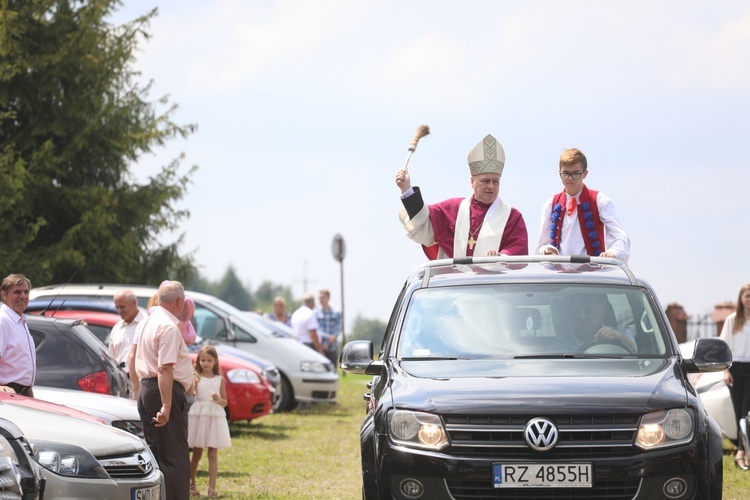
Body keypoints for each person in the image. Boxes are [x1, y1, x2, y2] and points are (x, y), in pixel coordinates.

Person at [395, 134, 528, 259]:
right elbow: (424, 222)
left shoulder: (512, 217)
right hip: (458, 282)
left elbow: (517, 250)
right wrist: (406, 189)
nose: (491, 186)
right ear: (472, 182)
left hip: (493, 282)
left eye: (495, 181)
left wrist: (500, 258)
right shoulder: (454, 209)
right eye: (485, 181)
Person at [134, 281, 194, 500]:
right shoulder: (168, 326)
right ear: (180, 302)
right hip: (162, 392)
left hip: (149, 390)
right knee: (175, 459)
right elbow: (165, 368)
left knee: (159, 457)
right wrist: (167, 405)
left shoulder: (149, 321)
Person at [536, 148, 630, 261]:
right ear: (559, 173)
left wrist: (612, 253)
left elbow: (620, 235)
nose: (570, 178)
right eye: (565, 173)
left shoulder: (599, 200)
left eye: (575, 173)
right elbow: (542, 244)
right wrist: (546, 250)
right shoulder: (551, 203)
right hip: (559, 273)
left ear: (585, 174)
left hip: (590, 274)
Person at [188, 345, 231, 498]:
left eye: (209, 360)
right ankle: (191, 484)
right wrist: (193, 378)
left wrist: (219, 399)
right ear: (198, 361)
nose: (205, 363)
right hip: (200, 415)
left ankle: (212, 489)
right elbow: (191, 393)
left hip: (214, 416)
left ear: (215, 361)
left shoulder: (220, 380)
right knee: (197, 453)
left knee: (213, 454)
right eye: (203, 360)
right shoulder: (197, 377)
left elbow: (225, 402)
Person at [720, 284, 750, 470]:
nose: (749, 299)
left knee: (747, 411)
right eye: (747, 296)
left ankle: (741, 451)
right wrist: (725, 370)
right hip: (735, 368)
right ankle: (744, 450)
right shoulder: (732, 320)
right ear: (741, 298)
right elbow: (723, 346)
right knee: (739, 412)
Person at [548, 293, 636, 353]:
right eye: (577, 311)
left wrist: (619, 338)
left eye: (588, 311)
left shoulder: (621, 333)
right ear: (571, 314)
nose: (582, 316)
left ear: (601, 312)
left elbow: (636, 356)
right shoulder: (560, 344)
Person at [0, 274, 36, 397]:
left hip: (21, 394)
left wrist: (28, 391)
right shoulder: (3, 320)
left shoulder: (19, 321)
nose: (23, 296)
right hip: (7, 396)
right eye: (17, 292)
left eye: (26, 292)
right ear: (3, 295)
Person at [109, 290, 145, 376]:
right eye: (117, 307)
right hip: (120, 381)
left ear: (134, 303)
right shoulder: (117, 328)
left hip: (141, 381)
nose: (119, 311)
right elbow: (111, 357)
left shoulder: (146, 324)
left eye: (122, 307)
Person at [316, 289, 342, 367]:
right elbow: (316, 330)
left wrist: (328, 342)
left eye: (322, 297)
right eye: (319, 298)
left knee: (333, 371)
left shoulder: (336, 313)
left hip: (332, 348)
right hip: (320, 348)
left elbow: (337, 329)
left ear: (328, 298)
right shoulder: (315, 314)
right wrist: (326, 339)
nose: (320, 300)